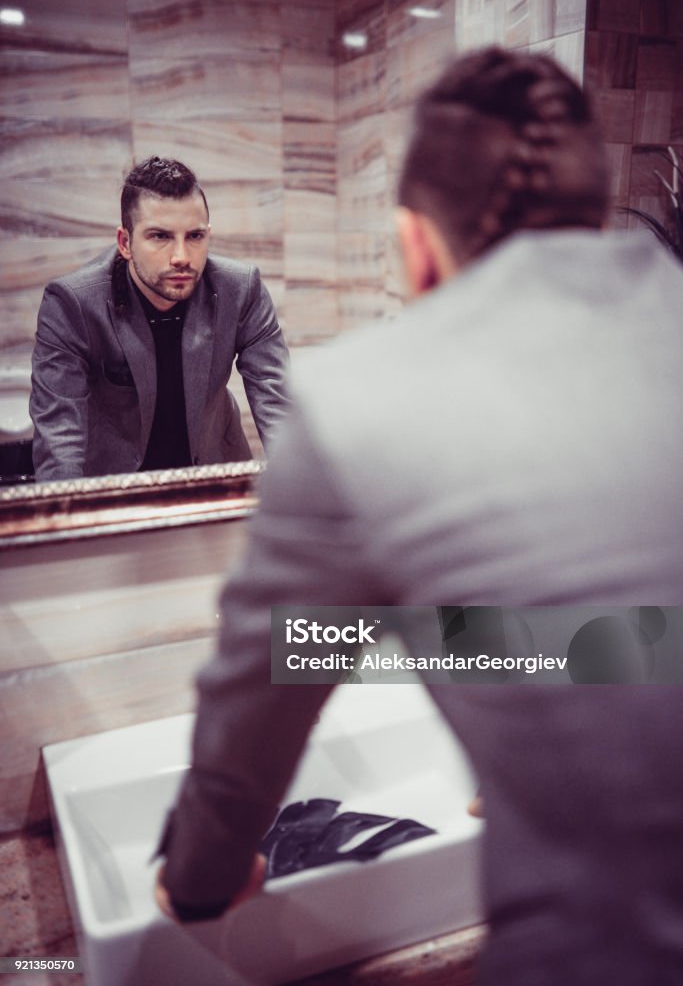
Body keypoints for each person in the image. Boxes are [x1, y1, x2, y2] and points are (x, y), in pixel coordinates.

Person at [154, 48, 683, 984]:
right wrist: (530, 715)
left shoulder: (363, 402)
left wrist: (199, 875)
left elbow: (270, 689)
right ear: (591, 216)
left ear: (415, 245)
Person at [29, 157, 289, 480]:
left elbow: (280, 407)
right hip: (115, 491)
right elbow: (59, 441)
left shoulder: (241, 289)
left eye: (194, 237)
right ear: (125, 243)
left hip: (214, 476)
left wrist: (305, 506)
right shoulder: (72, 304)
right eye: (160, 236)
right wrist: (68, 519)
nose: (181, 257)